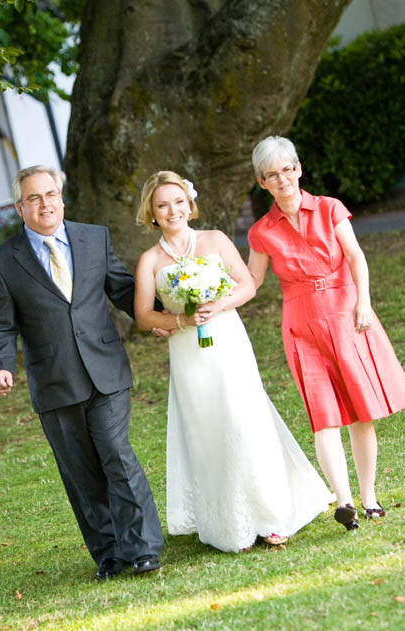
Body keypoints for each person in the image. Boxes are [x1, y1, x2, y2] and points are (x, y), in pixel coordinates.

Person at [133, 171, 334, 552]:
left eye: (178, 202)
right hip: (188, 354)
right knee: (207, 429)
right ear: (152, 213)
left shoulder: (214, 240)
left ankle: (272, 516)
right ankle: (229, 524)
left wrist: (216, 305)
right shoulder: (150, 260)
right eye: (162, 205)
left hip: (227, 342)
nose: (172, 210)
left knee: (244, 421)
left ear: (189, 206)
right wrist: (180, 320)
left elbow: (247, 284)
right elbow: (144, 315)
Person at [0, 165, 164, 580]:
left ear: (61, 198)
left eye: (50, 194)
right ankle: (110, 555)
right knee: (82, 474)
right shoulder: (2, 261)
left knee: (117, 455)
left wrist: (157, 317)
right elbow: (0, 323)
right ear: (20, 207)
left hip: (105, 369)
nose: (44, 203)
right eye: (34, 198)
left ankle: (142, 549)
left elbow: (120, 288)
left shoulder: (93, 237)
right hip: (54, 381)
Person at [246, 136, 405, 530]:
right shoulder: (261, 232)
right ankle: (345, 503)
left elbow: (355, 256)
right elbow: (252, 282)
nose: (283, 178)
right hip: (301, 326)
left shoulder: (329, 208)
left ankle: (369, 497)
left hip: (346, 315)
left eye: (288, 169)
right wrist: (207, 303)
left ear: (299, 169)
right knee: (324, 418)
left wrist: (364, 302)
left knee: (360, 413)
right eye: (273, 174)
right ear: (262, 182)